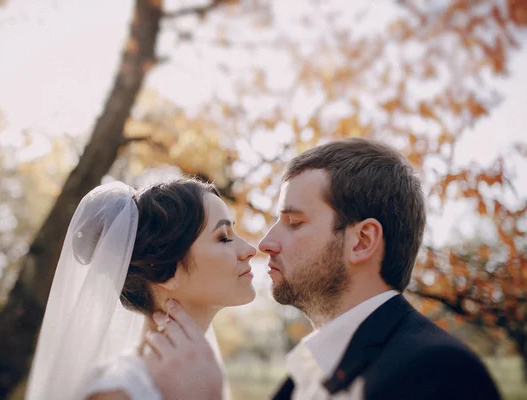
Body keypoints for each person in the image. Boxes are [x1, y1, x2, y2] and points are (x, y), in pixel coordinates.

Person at [144, 137, 502, 400]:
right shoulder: (299, 380)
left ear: (361, 241)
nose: (265, 243)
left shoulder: (440, 375)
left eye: (294, 222)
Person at [25, 177, 256, 400]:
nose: (249, 249)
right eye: (224, 237)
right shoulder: (118, 393)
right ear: (166, 271)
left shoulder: (201, 373)